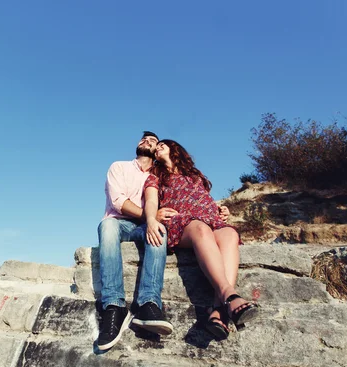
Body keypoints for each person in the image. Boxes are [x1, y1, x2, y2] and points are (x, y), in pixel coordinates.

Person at [96, 131, 229, 351]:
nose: (147, 142)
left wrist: (218, 209)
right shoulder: (119, 166)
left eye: (153, 141)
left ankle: (148, 303)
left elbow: (188, 198)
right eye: (143, 140)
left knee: (161, 230)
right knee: (107, 225)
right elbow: (118, 201)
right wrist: (150, 216)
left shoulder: (161, 174)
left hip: (146, 225)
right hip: (121, 222)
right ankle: (113, 306)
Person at [144, 139, 258, 340]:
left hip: (210, 218)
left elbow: (204, 198)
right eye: (156, 147)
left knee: (231, 234)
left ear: (175, 149)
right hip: (183, 221)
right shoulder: (155, 175)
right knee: (201, 230)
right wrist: (152, 219)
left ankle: (218, 310)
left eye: (162, 144)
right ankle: (229, 295)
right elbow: (152, 200)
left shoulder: (196, 175)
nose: (158, 147)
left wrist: (221, 209)